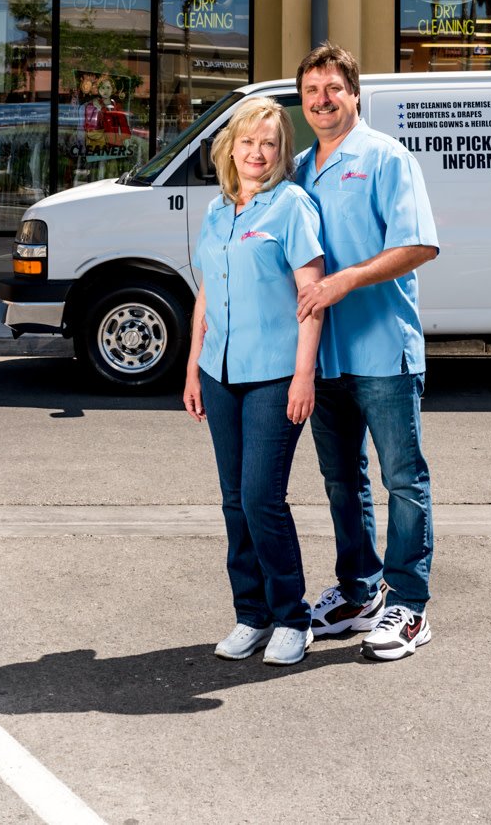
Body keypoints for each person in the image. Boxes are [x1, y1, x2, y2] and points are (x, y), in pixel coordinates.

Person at [293, 42, 439, 662]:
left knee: (402, 480)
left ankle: (408, 604)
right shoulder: (298, 167)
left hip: (383, 352)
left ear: (355, 94)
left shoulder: (387, 158)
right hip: (324, 358)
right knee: (342, 481)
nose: (322, 101)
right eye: (311, 92)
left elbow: (418, 246)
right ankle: (360, 592)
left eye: (333, 89)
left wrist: (344, 280)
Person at [183, 96, 326, 667]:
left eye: (269, 143)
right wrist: (193, 366)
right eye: (248, 142)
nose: (257, 153)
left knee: (261, 497)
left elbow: (312, 301)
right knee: (233, 502)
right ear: (231, 148)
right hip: (219, 373)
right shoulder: (219, 209)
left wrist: (303, 377)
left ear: (281, 151)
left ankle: (293, 617)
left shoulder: (293, 206)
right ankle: (251, 614)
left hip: (274, 375)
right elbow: (206, 295)